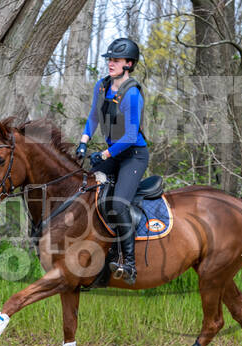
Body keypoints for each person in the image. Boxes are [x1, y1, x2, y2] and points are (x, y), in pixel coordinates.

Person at [75, 38, 148, 285]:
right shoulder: (102, 86)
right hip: (113, 153)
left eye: (115, 60)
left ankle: (128, 263)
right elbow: (94, 116)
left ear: (129, 64)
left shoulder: (132, 94)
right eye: (109, 60)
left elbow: (129, 136)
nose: (110, 64)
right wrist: (84, 141)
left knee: (118, 204)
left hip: (133, 155)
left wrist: (104, 155)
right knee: (87, 191)